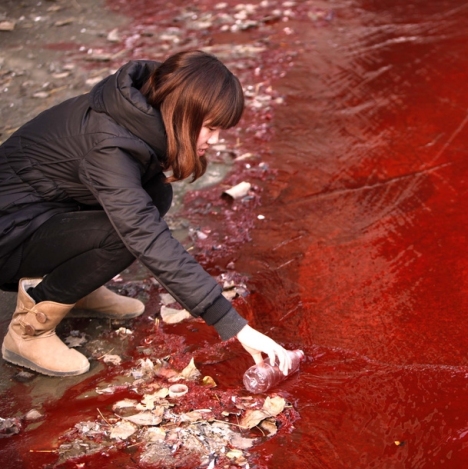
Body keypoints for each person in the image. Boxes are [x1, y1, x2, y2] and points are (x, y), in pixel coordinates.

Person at [0, 50, 291, 377]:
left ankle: (74, 287)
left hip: (40, 212)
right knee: (128, 233)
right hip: (9, 236)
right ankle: (28, 330)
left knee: (155, 193)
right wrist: (232, 323)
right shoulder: (109, 145)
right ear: (183, 112)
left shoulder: (138, 110)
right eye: (210, 128)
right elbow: (144, 234)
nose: (215, 140)